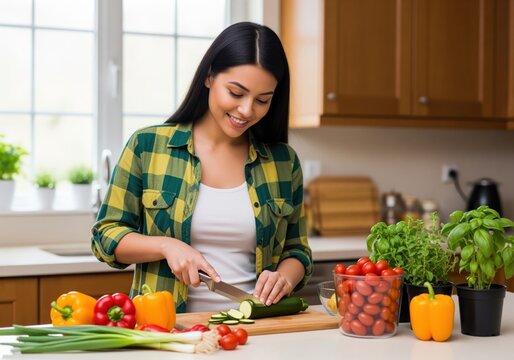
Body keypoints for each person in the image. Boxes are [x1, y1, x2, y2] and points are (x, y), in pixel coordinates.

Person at [91, 22, 312, 313]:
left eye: (262, 100)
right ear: (209, 76)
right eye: (236, 93)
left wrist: (284, 276)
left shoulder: (283, 162)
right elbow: (105, 235)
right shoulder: (148, 146)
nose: (247, 110)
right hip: (167, 331)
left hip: (257, 329)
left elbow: (297, 250)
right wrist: (166, 246)